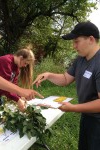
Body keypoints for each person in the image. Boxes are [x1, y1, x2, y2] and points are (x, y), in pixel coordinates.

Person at [33, 21, 100, 150]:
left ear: (91, 39)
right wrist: (48, 75)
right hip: (87, 116)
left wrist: (73, 108)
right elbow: (65, 79)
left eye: (76, 41)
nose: (73, 46)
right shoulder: (80, 59)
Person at [0, 48, 35, 112]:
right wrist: (17, 100)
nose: (25, 66)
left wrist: (20, 96)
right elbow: (4, 86)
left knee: (1, 112)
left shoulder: (16, 67)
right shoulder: (5, 61)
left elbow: (13, 85)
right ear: (21, 58)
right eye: (25, 63)